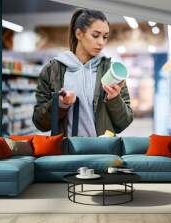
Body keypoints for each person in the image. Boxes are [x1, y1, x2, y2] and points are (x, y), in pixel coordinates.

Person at [32, 8, 134, 137]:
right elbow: (40, 123)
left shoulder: (111, 71)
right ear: (79, 34)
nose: (101, 42)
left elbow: (124, 122)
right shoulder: (52, 70)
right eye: (95, 35)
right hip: (66, 152)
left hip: (103, 152)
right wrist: (61, 104)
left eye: (105, 37)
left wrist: (114, 99)